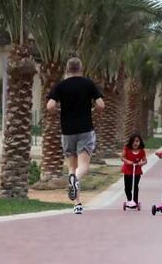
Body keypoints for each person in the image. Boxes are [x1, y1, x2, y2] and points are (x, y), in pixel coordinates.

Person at [46, 57, 105, 214]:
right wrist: (91, 108)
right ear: (81, 68)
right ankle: (75, 180)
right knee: (83, 166)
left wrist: (60, 110)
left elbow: (50, 106)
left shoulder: (60, 86)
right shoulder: (88, 84)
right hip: (85, 129)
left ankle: (77, 204)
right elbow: (101, 105)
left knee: (72, 167)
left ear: (67, 69)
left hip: (67, 131)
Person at [121, 133, 147, 207]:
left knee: (135, 186)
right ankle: (129, 200)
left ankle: (135, 201)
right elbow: (122, 157)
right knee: (127, 187)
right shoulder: (127, 148)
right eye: (134, 141)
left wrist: (141, 163)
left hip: (137, 171)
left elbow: (145, 160)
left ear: (140, 142)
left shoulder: (141, 151)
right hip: (128, 170)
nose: (135, 143)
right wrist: (128, 162)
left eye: (137, 141)